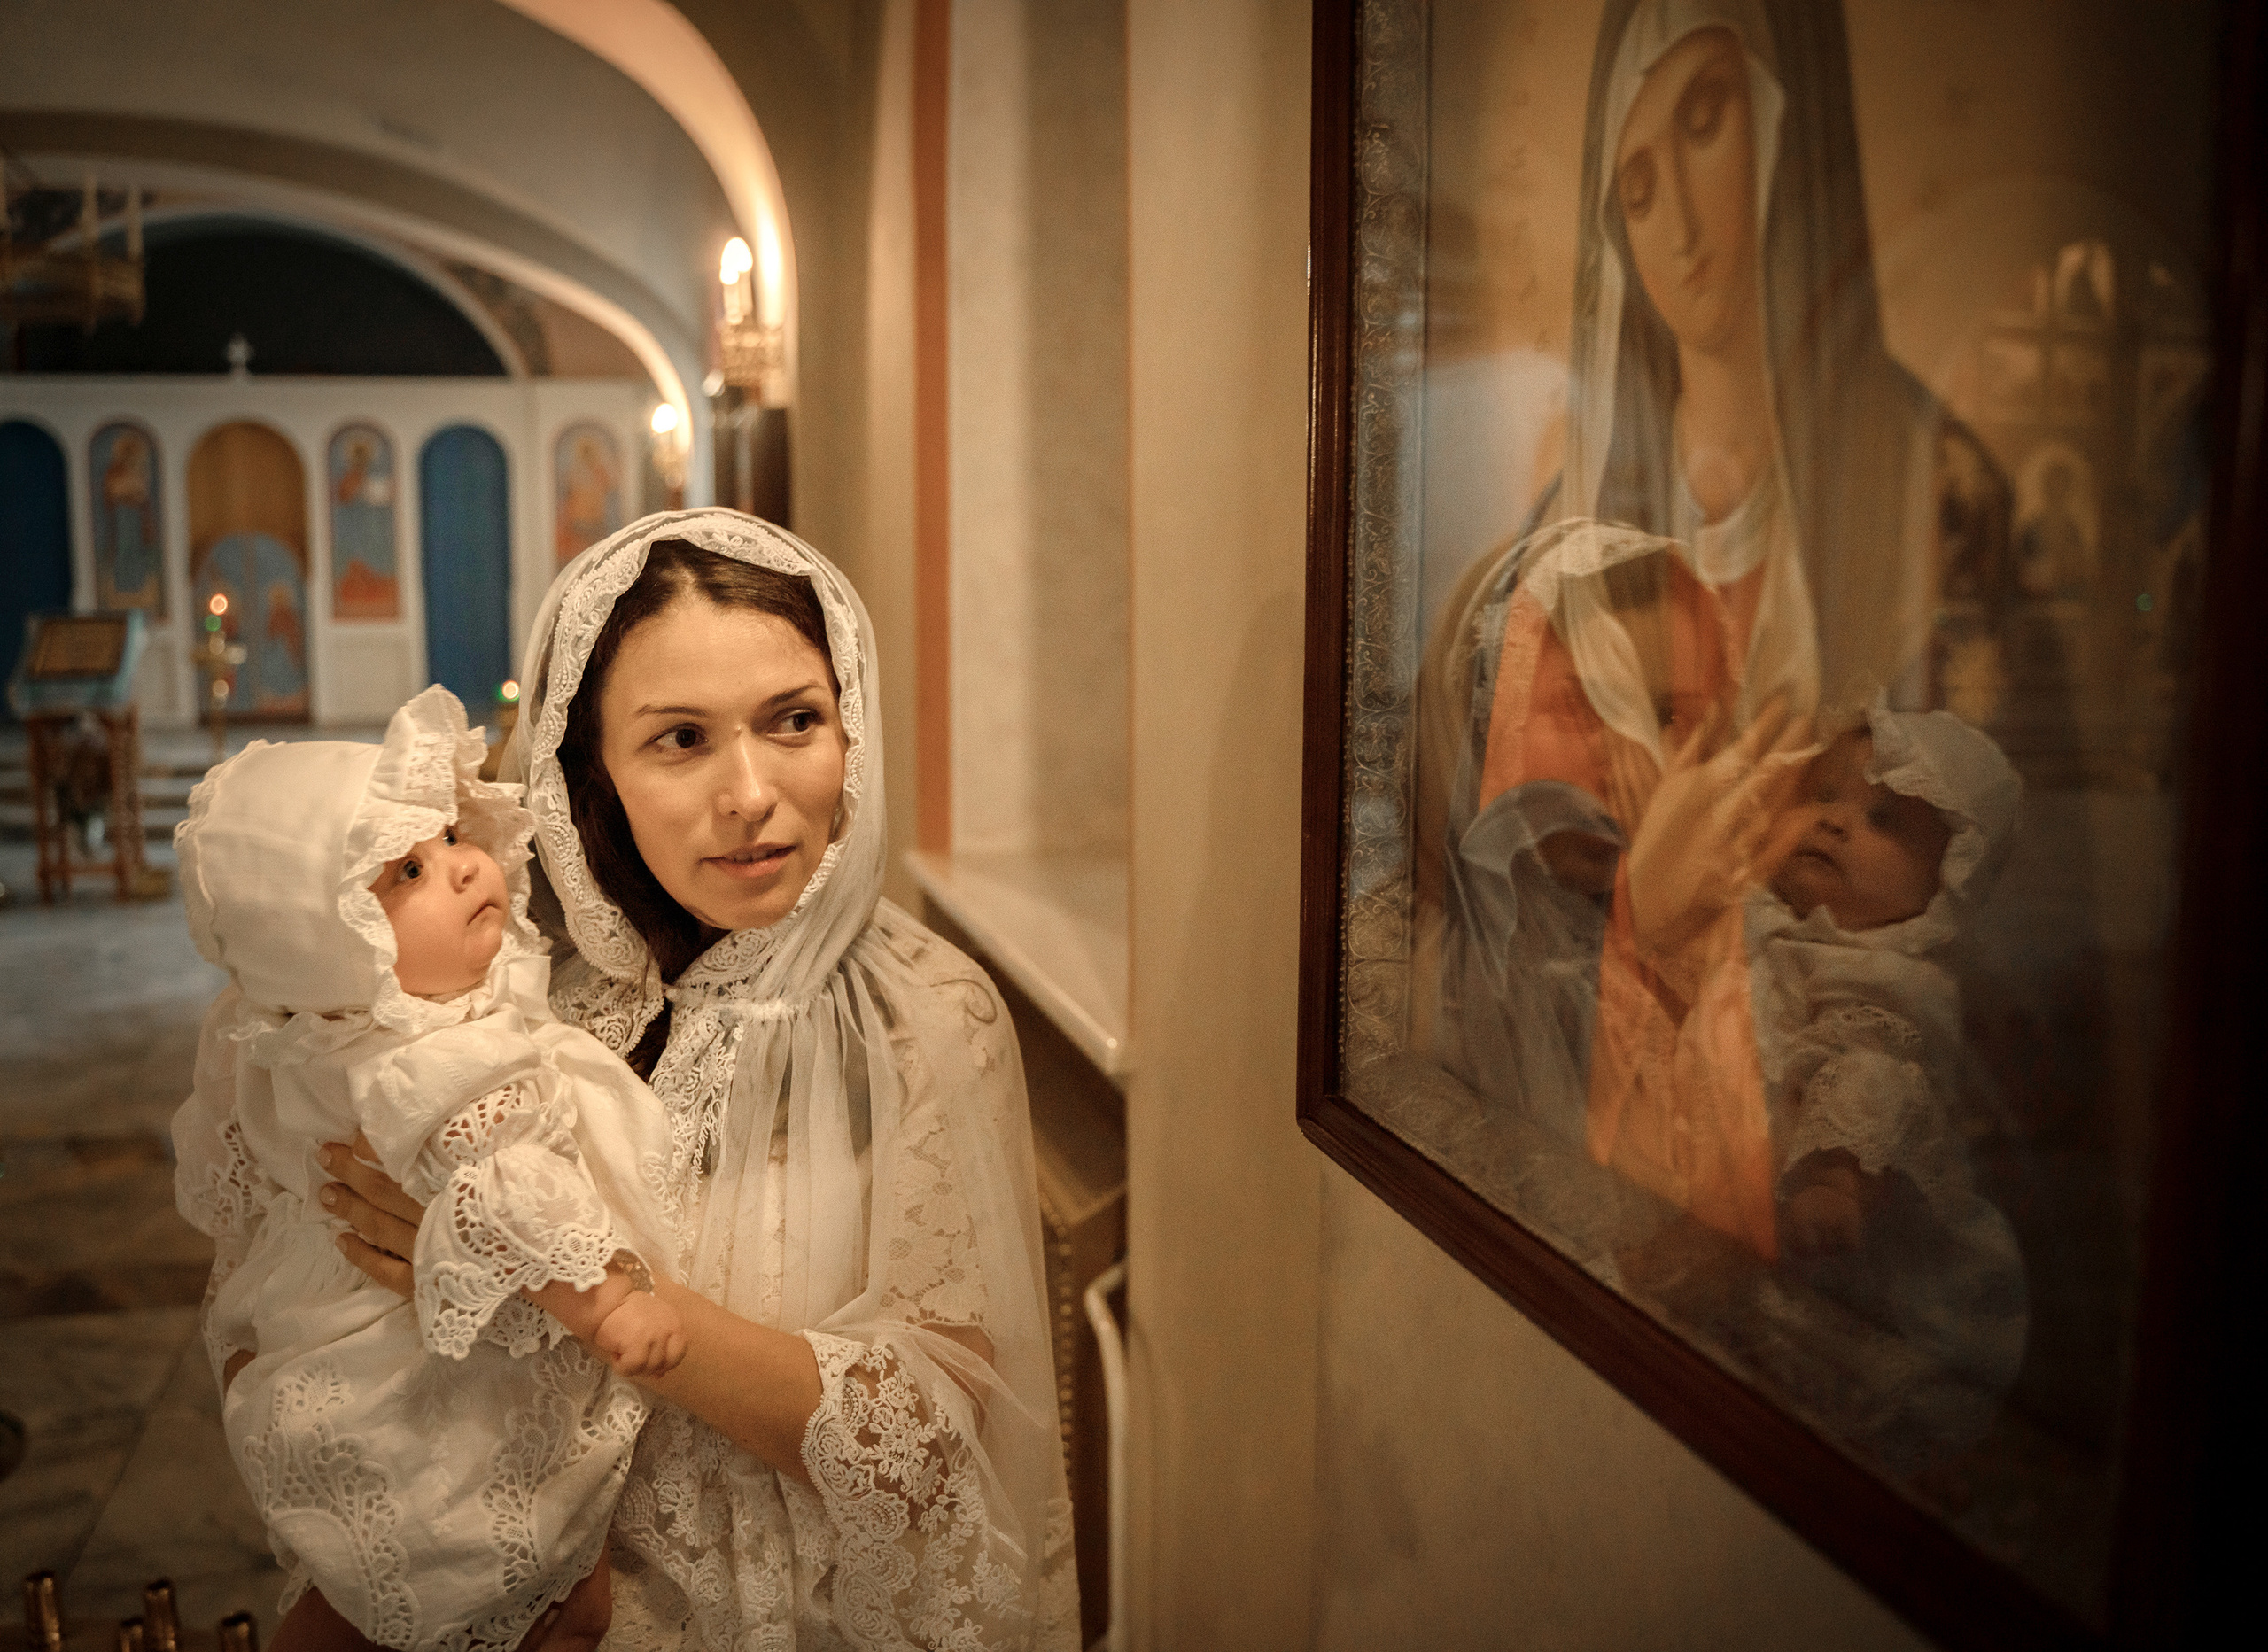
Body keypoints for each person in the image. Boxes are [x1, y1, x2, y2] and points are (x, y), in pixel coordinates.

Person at [312, 510, 1076, 1650]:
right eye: (679, 739)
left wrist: (554, 1275)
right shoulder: (520, 1004)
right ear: (594, 774)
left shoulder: (927, 1013)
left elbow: (919, 1446)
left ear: (851, 728)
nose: (751, 792)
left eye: (795, 721)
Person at [1421, 0, 2011, 1137]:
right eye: (1634, 188)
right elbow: (1510, 907)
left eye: (1705, 120)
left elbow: (1979, 872)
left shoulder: (1927, 483)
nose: (1679, 221)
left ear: (1795, 125)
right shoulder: (1577, 528)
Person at [171, 686, 680, 1652]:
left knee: (393, 1588)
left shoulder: (289, 1035)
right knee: (519, 1560)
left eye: (451, 835)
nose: (462, 866)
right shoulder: (435, 1060)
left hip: (318, 1349)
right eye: (406, 866)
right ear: (332, 942)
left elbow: (229, 1169)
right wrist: (605, 1303)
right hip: (421, 1368)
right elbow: (508, 1194)